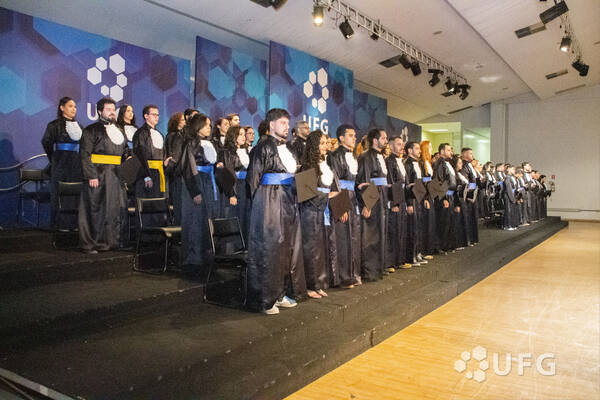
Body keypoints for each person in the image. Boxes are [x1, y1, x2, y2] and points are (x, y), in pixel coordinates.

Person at [245, 108, 305, 315]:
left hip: (289, 200)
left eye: (288, 123)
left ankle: (279, 293)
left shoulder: (289, 148)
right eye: (282, 123)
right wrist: (260, 207)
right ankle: (265, 298)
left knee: (286, 249)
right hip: (269, 201)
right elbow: (253, 179)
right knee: (270, 249)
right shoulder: (262, 147)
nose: (287, 127)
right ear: (271, 125)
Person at [78, 97, 130, 253]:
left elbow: (125, 151)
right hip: (98, 175)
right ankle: (92, 244)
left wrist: (129, 159)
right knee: (96, 210)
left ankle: (113, 242)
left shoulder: (119, 130)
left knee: (115, 209)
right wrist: (91, 175)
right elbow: (85, 154)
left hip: (116, 176)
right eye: (108, 109)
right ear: (100, 111)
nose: (112, 112)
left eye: (113, 110)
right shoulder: (91, 130)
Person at [299, 130, 341, 299]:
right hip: (310, 213)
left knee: (321, 249)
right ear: (314, 145)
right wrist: (327, 196)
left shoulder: (326, 164)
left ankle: (319, 283)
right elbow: (306, 195)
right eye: (322, 143)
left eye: (326, 143)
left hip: (323, 211)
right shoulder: (306, 166)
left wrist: (335, 197)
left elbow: (334, 188)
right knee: (310, 250)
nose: (325, 146)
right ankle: (310, 286)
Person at [180, 114, 218, 267]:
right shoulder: (190, 143)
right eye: (206, 125)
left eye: (210, 125)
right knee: (195, 220)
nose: (209, 128)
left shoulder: (209, 143)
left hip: (208, 181)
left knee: (206, 219)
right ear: (198, 126)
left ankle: (206, 254)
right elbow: (188, 168)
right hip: (196, 182)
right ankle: (193, 257)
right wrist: (195, 191)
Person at [41, 97, 83, 230]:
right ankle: (60, 224)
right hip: (61, 163)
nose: (74, 109)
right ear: (62, 108)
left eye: (75, 106)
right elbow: (46, 142)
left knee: (75, 193)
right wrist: (54, 158)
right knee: (60, 193)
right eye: (70, 106)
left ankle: (74, 224)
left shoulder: (80, 126)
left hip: (76, 164)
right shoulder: (54, 125)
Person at [328, 124, 362, 288]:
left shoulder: (353, 156)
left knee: (353, 237)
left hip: (353, 198)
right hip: (342, 197)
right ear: (341, 138)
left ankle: (353, 274)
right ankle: (342, 277)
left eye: (355, 135)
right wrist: (340, 207)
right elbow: (334, 183)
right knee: (342, 238)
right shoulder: (334, 156)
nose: (354, 138)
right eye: (350, 135)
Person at [356, 128, 389, 281]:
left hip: (382, 196)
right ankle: (369, 271)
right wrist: (367, 204)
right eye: (383, 138)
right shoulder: (365, 156)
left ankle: (378, 268)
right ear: (375, 140)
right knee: (370, 236)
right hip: (372, 197)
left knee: (380, 233)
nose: (386, 141)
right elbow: (364, 180)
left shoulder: (380, 156)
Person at [217, 125, 251, 240]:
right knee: (234, 217)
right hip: (234, 187)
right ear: (233, 136)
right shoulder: (226, 152)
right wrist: (231, 193)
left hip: (246, 187)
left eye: (244, 134)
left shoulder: (246, 151)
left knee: (246, 217)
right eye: (240, 134)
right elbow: (225, 174)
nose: (243, 137)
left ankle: (245, 245)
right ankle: (233, 246)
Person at [132, 105, 168, 206]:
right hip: (147, 173)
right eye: (154, 114)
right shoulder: (140, 133)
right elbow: (139, 156)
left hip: (159, 173)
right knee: (147, 205)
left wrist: (165, 163)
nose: (157, 117)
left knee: (159, 203)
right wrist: (146, 176)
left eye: (158, 115)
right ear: (146, 116)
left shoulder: (160, 134)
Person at [385, 136, 411, 270]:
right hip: (394, 200)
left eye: (402, 144)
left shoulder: (401, 161)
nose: (402, 147)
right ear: (390, 146)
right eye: (399, 144)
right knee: (393, 231)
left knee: (401, 229)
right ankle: (390, 262)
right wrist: (393, 203)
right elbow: (390, 182)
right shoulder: (389, 161)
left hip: (402, 198)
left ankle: (400, 259)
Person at [404, 141, 428, 265]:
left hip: (419, 198)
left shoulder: (418, 163)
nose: (420, 151)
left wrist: (424, 199)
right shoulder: (407, 164)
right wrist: (409, 203)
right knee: (412, 228)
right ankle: (411, 255)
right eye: (417, 148)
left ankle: (418, 252)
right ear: (409, 150)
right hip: (412, 199)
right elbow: (407, 185)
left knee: (418, 227)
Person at [433, 143, 458, 253]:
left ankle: (448, 244)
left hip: (451, 195)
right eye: (448, 150)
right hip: (444, 196)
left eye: (451, 150)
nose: (451, 152)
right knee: (443, 222)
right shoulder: (440, 164)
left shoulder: (449, 163)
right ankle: (441, 246)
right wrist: (443, 199)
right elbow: (439, 181)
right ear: (442, 151)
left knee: (449, 221)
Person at [165, 112, 186, 225]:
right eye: (182, 120)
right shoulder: (176, 136)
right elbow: (175, 157)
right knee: (179, 205)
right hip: (177, 174)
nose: (185, 122)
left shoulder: (174, 135)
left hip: (175, 173)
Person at [420, 140, 438, 258]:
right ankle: (425, 249)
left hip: (431, 196)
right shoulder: (422, 163)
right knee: (425, 224)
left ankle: (429, 248)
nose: (431, 149)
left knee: (431, 223)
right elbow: (422, 183)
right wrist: (425, 198)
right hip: (425, 197)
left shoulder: (428, 163)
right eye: (430, 147)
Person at [460, 148, 479, 246]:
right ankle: (468, 239)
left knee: (473, 217)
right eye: (470, 153)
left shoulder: (470, 166)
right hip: (468, 196)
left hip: (473, 195)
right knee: (468, 218)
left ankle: (473, 238)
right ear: (464, 154)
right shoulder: (464, 166)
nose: (472, 155)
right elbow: (466, 182)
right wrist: (472, 189)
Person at [451, 155, 468, 248]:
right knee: (457, 222)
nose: (461, 164)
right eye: (460, 163)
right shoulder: (454, 174)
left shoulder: (459, 174)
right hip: (456, 199)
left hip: (461, 198)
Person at [502, 164, 518, 230]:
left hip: (512, 195)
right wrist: (512, 198)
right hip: (508, 196)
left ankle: (512, 225)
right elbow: (508, 189)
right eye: (513, 169)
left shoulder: (512, 177)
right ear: (508, 169)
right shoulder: (507, 178)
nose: (514, 171)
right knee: (508, 211)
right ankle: (507, 226)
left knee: (512, 210)